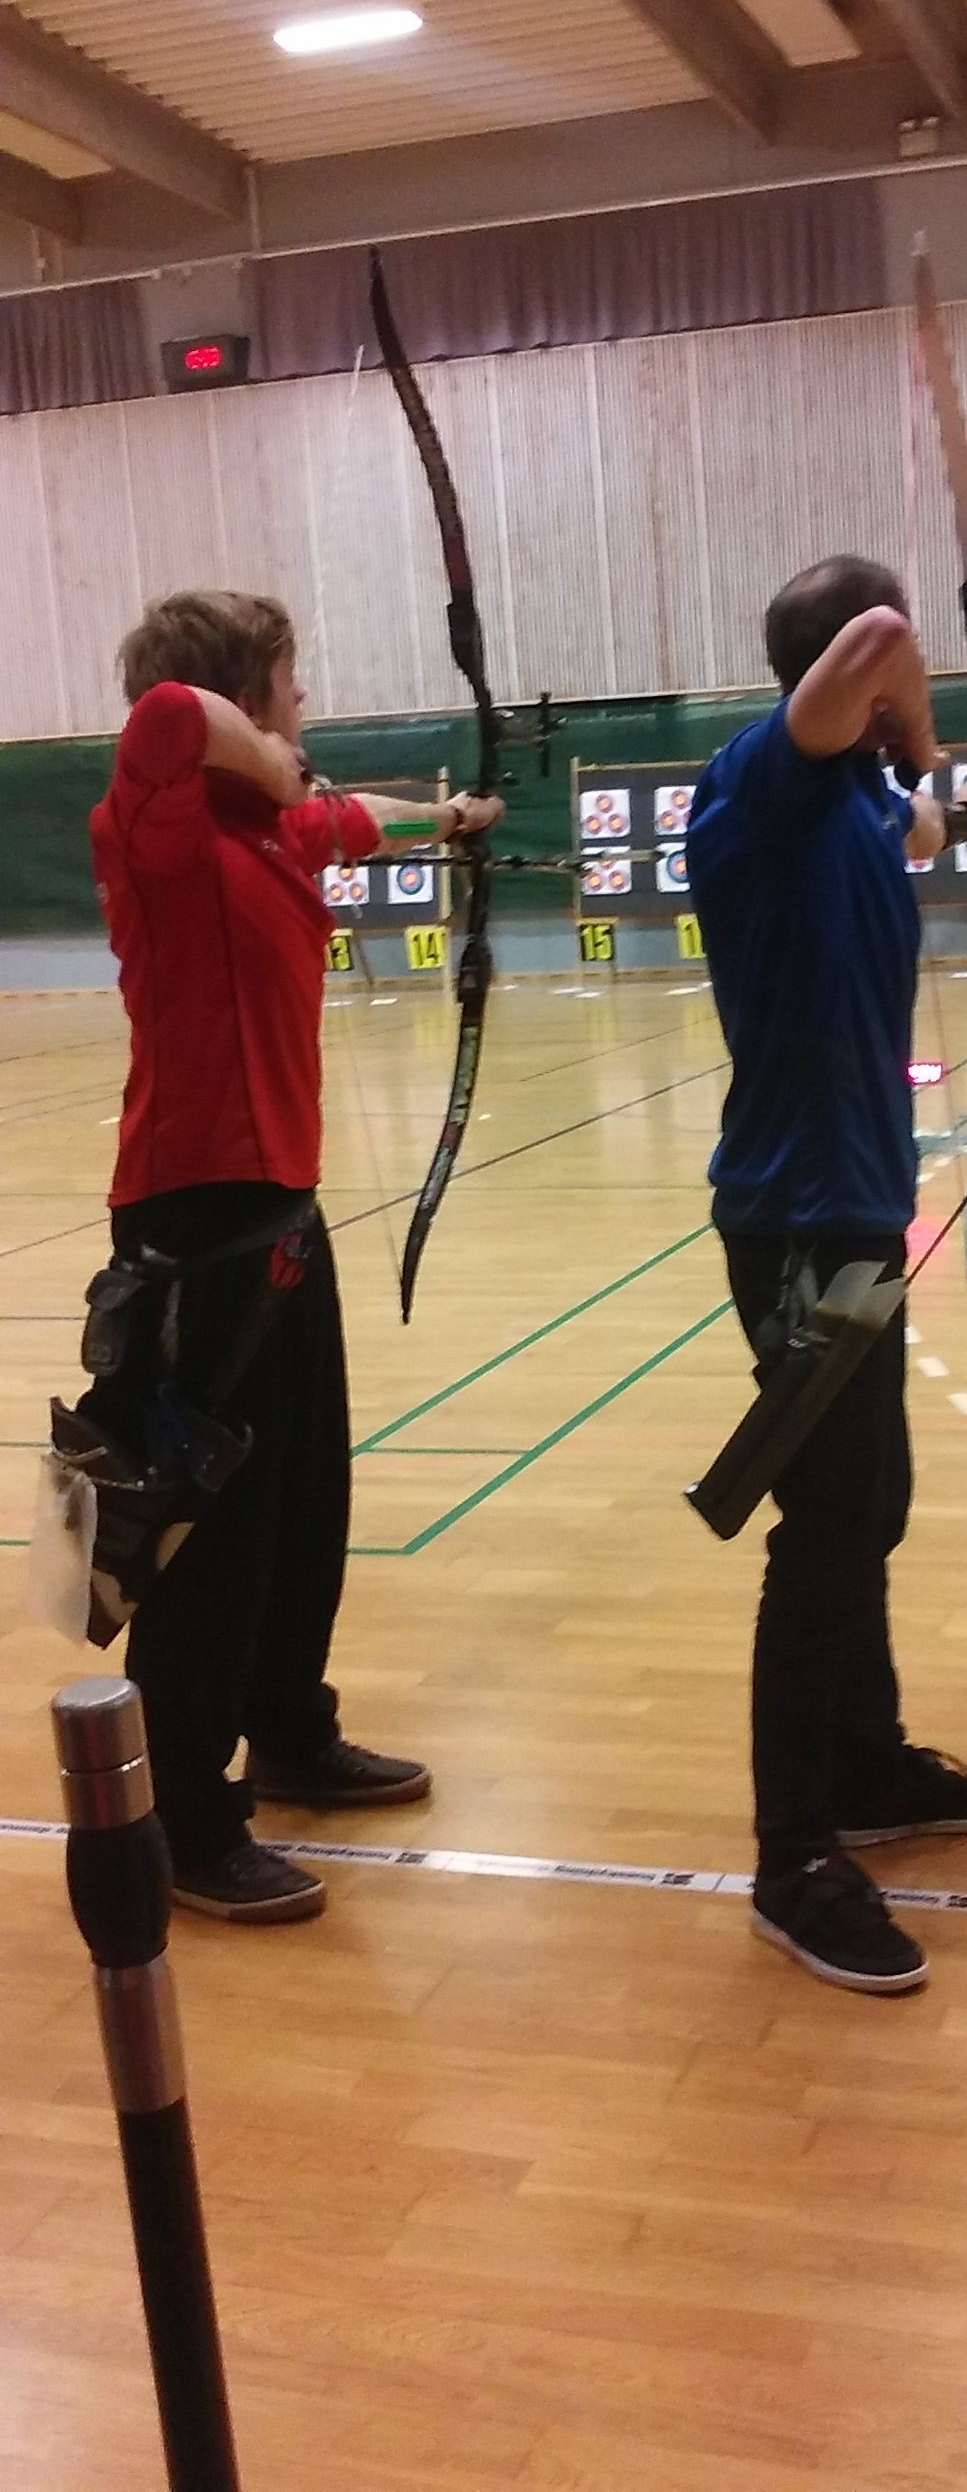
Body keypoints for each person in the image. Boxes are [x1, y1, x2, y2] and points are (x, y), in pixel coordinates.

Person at [76, 589, 502, 1924]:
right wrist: (264, 756)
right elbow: (165, 714)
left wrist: (450, 819)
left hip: (279, 1214)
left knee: (307, 1493)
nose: (303, 702)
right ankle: (187, 1821)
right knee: (216, 1530)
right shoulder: (155, 828)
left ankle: (291, 1733)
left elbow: (352, 818)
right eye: (287, 680)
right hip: (193, 1221)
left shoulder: (272, 833)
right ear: (244, 697)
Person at [687, 556, 967, 1997]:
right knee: (828, 1524)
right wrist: (927, 738)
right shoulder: (757, 783)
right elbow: (883, 631)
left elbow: (927, 825)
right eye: (889, 679)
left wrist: (965, 800)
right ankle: (794, 1857)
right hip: (796, 1223)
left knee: (867, 1501)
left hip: (859, 1211)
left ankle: (864, 1761)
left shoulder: (858, 805)